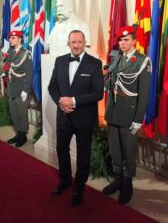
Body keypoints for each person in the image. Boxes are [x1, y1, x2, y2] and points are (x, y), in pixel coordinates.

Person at [48, 30, 104, 207]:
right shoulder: (60, 61)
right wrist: (61, 102)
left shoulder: (95, 63)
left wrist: (73, 101)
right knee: (62, 150)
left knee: (83, 156)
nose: (76, 45)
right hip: (63, 117)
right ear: (68, 43)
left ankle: (79, 188)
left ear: (84, 42)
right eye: (73, 42)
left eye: (79, 42)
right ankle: (65, 181)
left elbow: (98, 93)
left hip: (84, 119)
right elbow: (52, 87)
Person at [102, 26, 151, 204]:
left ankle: (128, 182)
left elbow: (144, 94)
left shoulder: (142, 61)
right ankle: (118, 179)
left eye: (126, 40)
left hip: (129, 113)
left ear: (134, 41)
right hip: (113, 110)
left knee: (128, 150)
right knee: (115, 148)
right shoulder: (116, 58)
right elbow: (110, 81)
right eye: (121, 40)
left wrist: (138, 119)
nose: (122, 43)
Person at [0, 30, 33, 147]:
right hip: (11, 89)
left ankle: (23, 136)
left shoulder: (26, 54)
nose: (10, 40)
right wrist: (4, 73)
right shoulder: (12, 53)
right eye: (10, 38)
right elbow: (12, 69)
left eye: (13, 38)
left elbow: (29, 73)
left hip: (21, 89)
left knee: (22, 113)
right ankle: (18, 134)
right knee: (14, 113)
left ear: (19, 39)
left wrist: (26, 90)